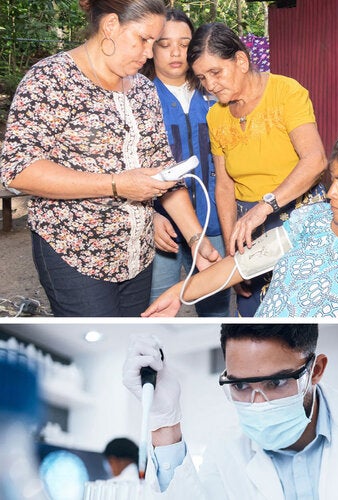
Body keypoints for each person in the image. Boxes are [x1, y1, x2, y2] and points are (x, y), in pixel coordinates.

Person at [0, 0, 220, 317]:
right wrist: (116, 185)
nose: (148, 53)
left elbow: (166, 174)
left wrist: (196, 239)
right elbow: (18, 170)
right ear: (111, 26)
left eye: (152, 43)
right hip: (75, 254)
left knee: (132, 342)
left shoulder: (143, 90)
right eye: (144, 40)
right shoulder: (50, 80)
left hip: (137, 257)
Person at [142, 118, 338, 318]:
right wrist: (179, 293)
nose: (332, 192)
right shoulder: (311, 220)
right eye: (332, 180)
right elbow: (238, 267)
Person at [121, 324, 338, 498]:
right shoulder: (226, 449)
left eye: (276, 382)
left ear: (315, 371)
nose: (258, 403)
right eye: (240, 387)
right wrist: (164, 421)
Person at [188, 22, 327, 317]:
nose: (210, 85)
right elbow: (224, 187)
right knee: (256, 313)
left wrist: (266, 206)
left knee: (302, 309)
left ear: (241, 60)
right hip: (247, 226)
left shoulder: (285, 92)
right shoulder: (216, 116)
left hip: (298, 216)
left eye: (216, 72)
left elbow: (315, 160)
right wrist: (232, 253)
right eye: (202, 78)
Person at [140, 8, 230, 317]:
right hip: (162, 227)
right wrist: (149, 215)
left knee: (217, 311)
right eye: (165, 44)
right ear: (150, 47)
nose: (176, 53)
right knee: (156, 310)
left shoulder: (215, 93)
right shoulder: (137, 97)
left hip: (213, 223)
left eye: (184, 43)